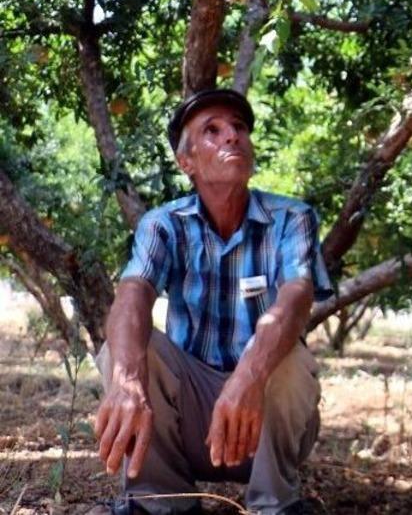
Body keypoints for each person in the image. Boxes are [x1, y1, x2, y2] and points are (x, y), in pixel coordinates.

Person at [90, 89, 333, 515]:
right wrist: (127, 381)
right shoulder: (163, 224)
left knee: (289, 355)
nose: (232, 137)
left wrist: (248, 378)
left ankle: (275, 505)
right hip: (194, 422)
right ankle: (160, 502)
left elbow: (296, 297)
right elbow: (133, 293)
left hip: (265, 423)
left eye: (239, 128)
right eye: (213, 130)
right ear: (187, 163)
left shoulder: (292, 218)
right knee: (127, 348)